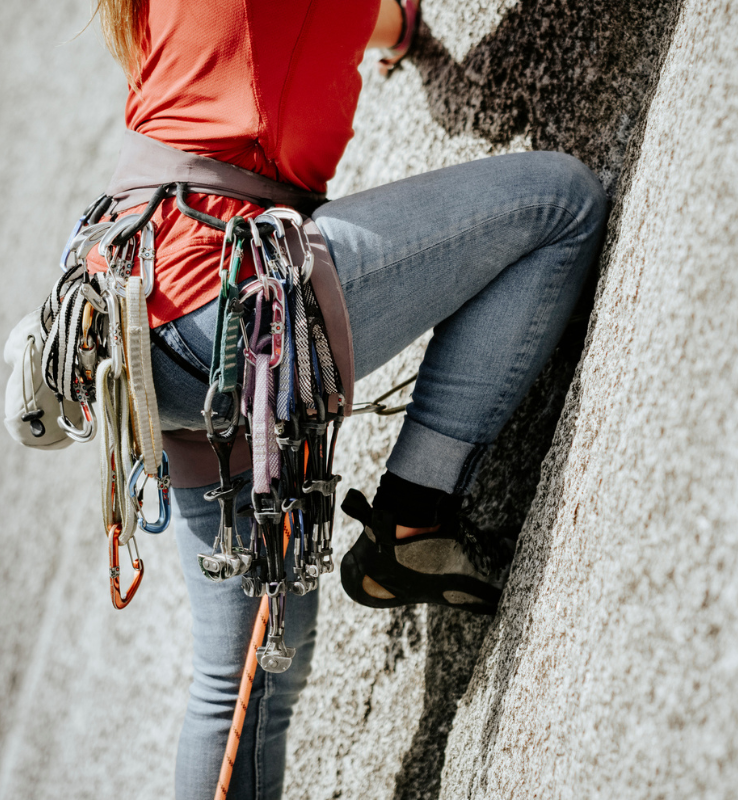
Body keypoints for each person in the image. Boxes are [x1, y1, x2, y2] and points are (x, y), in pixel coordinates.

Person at [90, 0, 608, 797]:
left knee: (240, 688)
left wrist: (400, 30)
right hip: (225, 297)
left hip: (135, 317)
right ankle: (415, 514)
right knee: (560, 203)